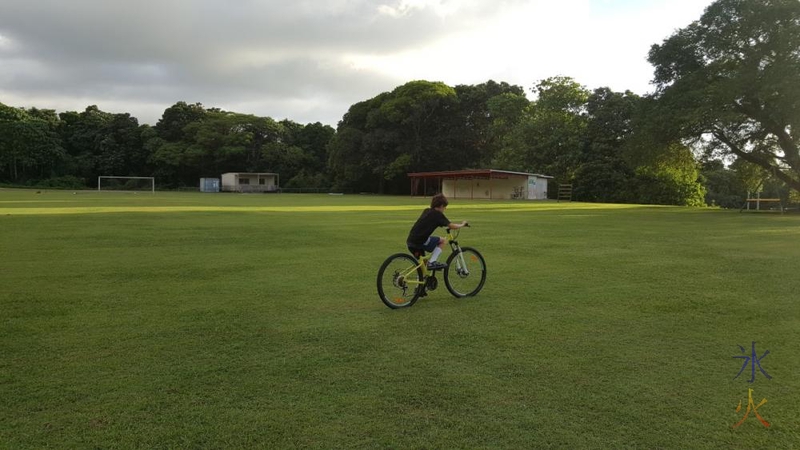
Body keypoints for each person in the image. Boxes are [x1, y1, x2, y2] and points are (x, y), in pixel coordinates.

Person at [406, 193, 469, 270]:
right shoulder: (438, 215)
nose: (445, 209)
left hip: (411, 241)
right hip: (420, 241)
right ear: (442, 205)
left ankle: (420, 279)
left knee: (423, 266)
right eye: (445, 207)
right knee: (443, 241)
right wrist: (462, 225)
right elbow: (451, 226)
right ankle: (432, 262)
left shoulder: (426, 210)